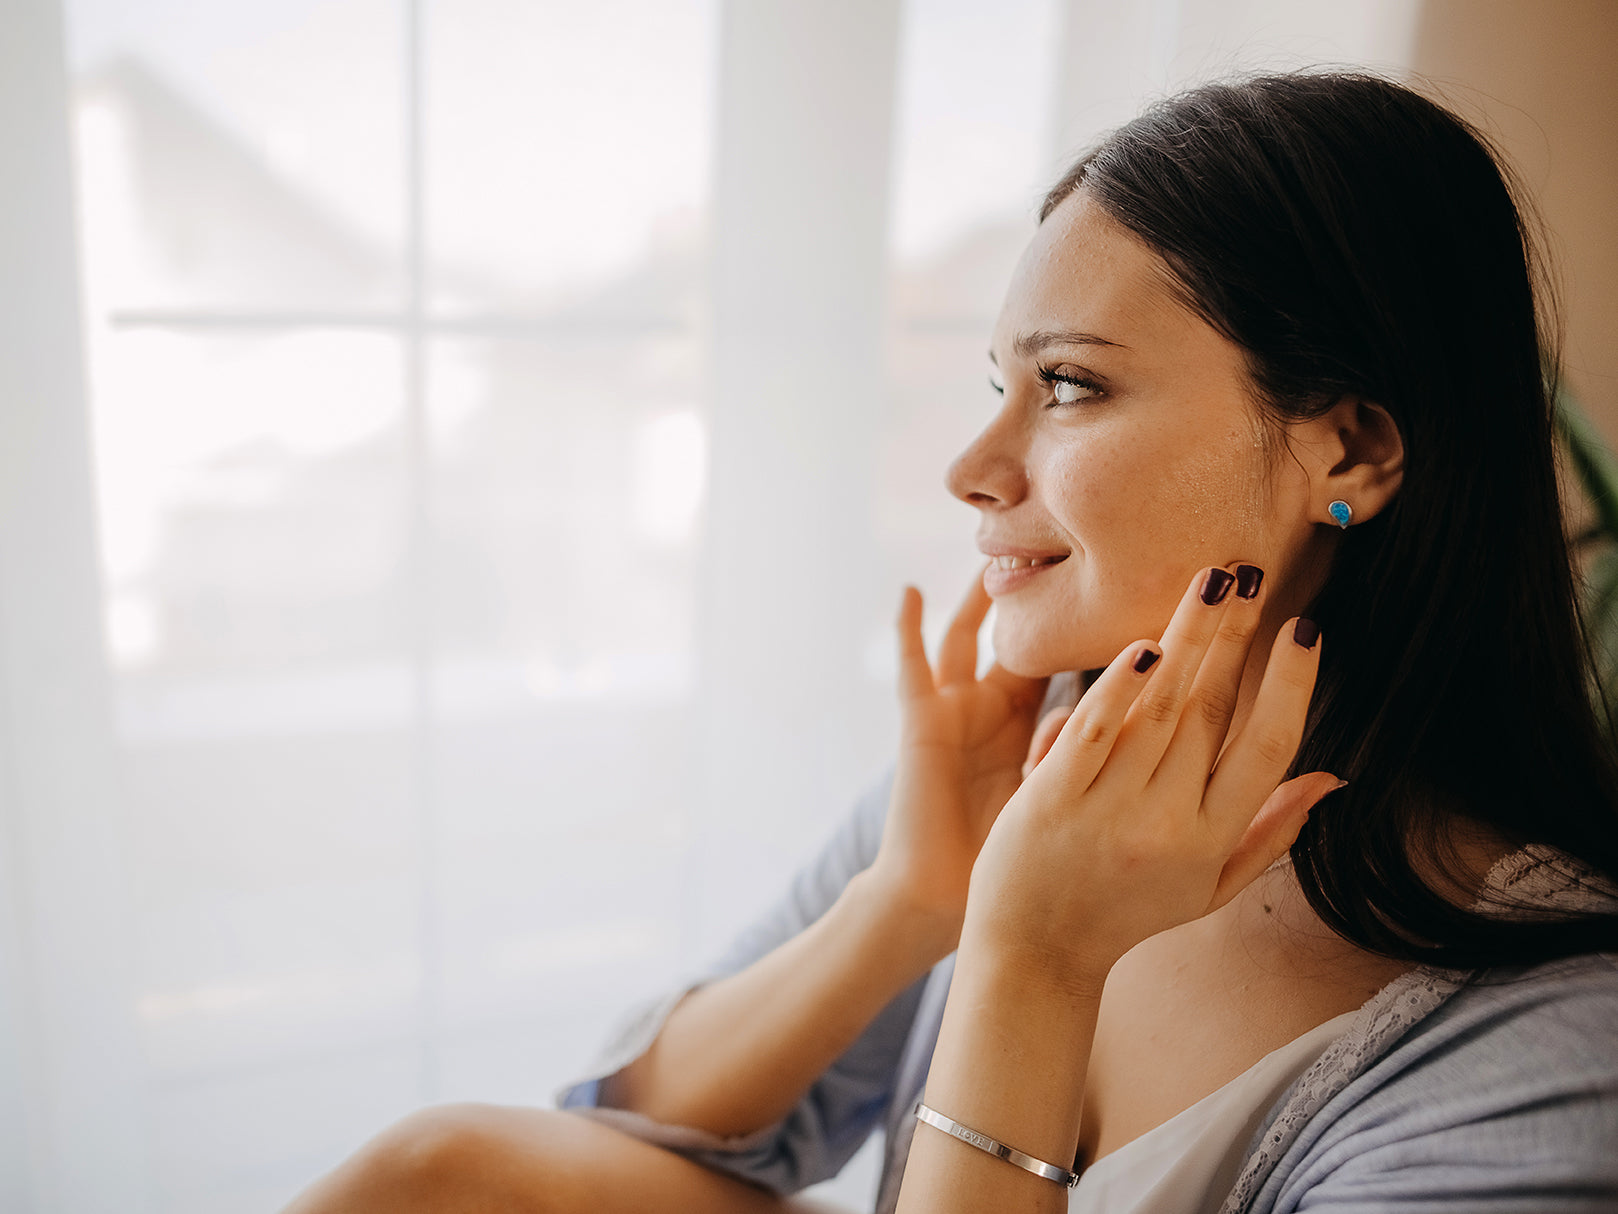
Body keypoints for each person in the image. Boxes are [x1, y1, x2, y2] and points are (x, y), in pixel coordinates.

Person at [282, 71, 1618, 1213]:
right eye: (998, 388)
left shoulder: (1547, 1043)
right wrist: (905, 906)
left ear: (1353, 447)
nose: (973, 469)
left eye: (1072, 386)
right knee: (440, 1167)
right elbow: (643, 1113)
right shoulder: (1032, 764)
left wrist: (1029, 962)